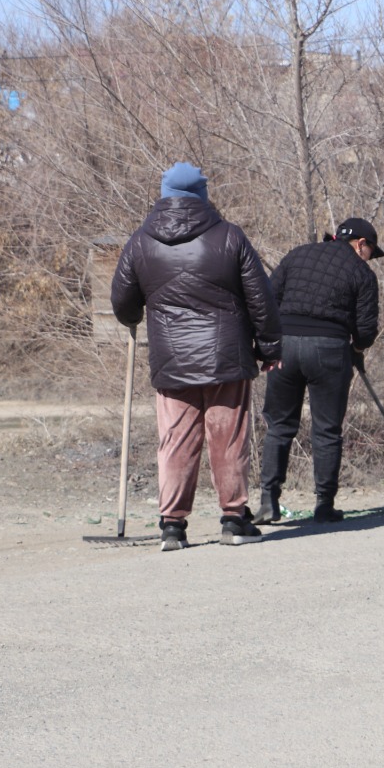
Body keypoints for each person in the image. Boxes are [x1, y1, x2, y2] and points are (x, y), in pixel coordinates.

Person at [110, 162, 281, 551]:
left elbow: (122, 302)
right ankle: (234, 520)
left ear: (164, 193)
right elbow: (261, 298)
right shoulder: (229, 236)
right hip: (227, 356)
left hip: (171, 360)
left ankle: (172, 526)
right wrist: (269, 348)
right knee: (228, 439)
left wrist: (135, 313)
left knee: (175, 441)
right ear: (202, 194)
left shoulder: (141, 241)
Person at [256, 217, 381, 525]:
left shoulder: (298, 254)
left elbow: (269, 299)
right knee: (326, 429)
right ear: (360, 244)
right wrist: (356, 348)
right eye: (371, 252)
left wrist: (268, 345)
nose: (370, 259)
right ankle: (324, 505)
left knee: (279, 426)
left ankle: (268, 501)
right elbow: (365, 331)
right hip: (329, 350)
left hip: (285, 346)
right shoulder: (361, 273)